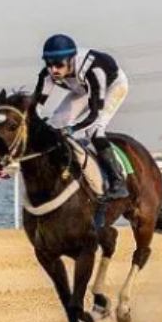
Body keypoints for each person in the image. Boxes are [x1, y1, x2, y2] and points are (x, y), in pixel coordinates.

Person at [33, 34, 131, 201]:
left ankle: (118, 181)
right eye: (49, 64)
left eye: (58, 65)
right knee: (55, 123)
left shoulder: (94, 70)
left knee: (94, 130)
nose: (53, 70)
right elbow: (34, 108)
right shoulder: (47, 74)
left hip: (111, 86)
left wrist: (72, 129)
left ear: (72, 59)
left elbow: (94, 115)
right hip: (82, 89)